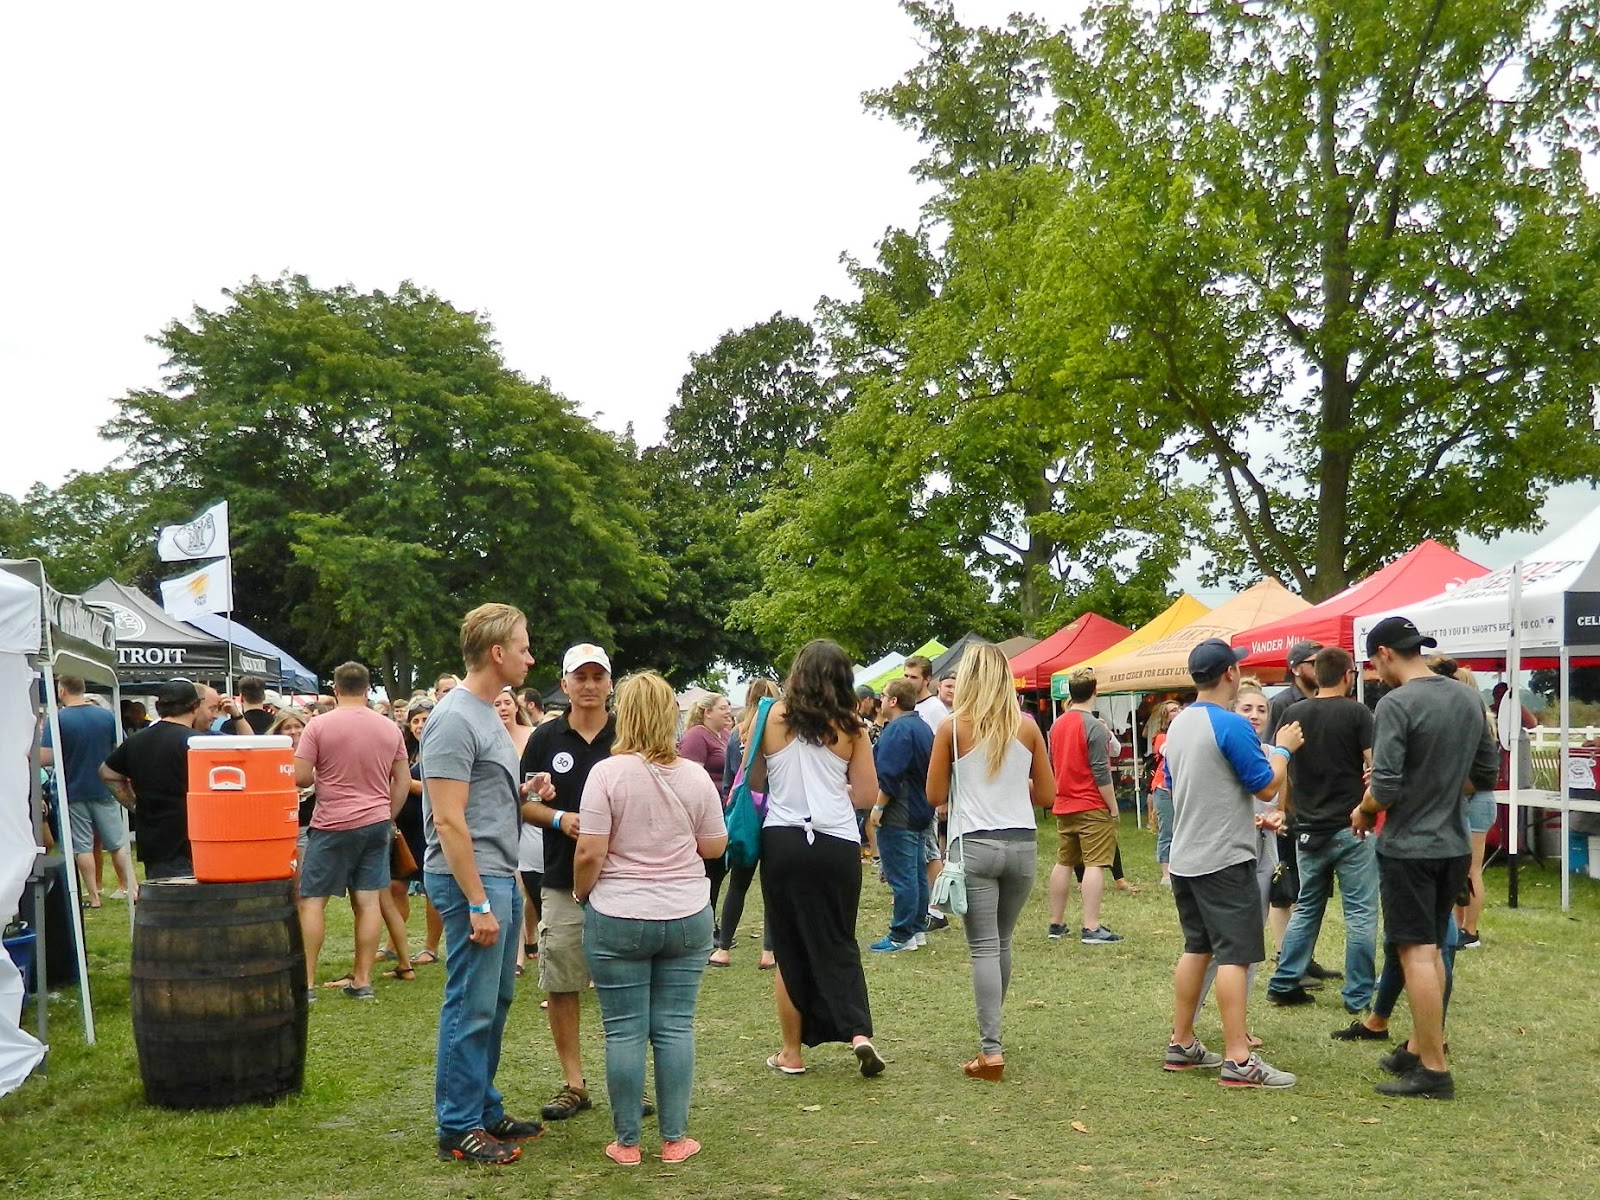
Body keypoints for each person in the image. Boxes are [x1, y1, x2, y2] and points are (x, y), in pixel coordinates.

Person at [574, 671, 727, 1166]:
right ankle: (675, 1138)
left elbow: (589, 852)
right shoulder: (695, 775)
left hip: (619, 912)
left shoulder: (607, 773)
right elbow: (713, 845)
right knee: (675, 1027)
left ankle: (627, 1142)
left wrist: (583, 895)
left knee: (623, 1030)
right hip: (685, 913)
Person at [1352, 616, 1498, 1100]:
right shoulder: (1467, 697)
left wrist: (1362, 809)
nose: (1377, 673)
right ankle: (1417, 1047)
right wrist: (1441, 789)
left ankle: (1433, 1071)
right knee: (1432, 947)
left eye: (1375, 664)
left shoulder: (1396, 703)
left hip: (1410, 848)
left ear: (1385, 655)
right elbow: (1485, 771)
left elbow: (1386, 787)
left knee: (1414, 951)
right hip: (1455, 844)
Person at [420, 603, 544, 1165]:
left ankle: (483, 1107)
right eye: (523, 646)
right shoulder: (453, 718)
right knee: (470, 1005)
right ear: (498, 653)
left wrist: (526, 792)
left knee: (493, 1001)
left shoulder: (484, 714)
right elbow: (447, 820)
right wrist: (476, 902)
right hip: (471, 882)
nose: (530, 656)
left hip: (497, 873)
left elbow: (481, 801)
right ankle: (458, 1126)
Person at [1162, 639, 1301, 1088]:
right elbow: (1265, 786)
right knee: (1235, 957)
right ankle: (1239, 1059)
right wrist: (1281, 749)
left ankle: (1181, 1042)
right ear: (1229, 675)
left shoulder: (1180, 723)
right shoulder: (1232, 725)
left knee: (1196, 948)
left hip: (1186, 856)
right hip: (1224, 857)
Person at [751, 639, 884, 1078]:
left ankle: (791, 1052)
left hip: (784, 840)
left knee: (788, 947)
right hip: (836, 842)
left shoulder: (771, 715)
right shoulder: (853, 727)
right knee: (839, 940)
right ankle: (859, 1033)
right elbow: (865, 795)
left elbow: (753, 777)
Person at [925, 643, 1055, 1080]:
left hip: (974, 842)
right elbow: (1048, 797)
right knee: (1001, 942)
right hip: (1022, 843)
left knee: (983, 946)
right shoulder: (1028, 727)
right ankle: (991, 1034)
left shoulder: (952, 728)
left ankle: (990, 1048)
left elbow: (935, 796)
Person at [520, 644, 618, 1122]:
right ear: (564, 683)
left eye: (597, 676)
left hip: (623, 875)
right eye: (580, 677)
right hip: (561, 878)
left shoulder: (628, 735)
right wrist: (561, 818)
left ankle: (627, 1078)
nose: (589, 685)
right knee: (561, 981)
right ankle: (574, 1083)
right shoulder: (544, 739)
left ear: (610, 683)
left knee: (626, 982)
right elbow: (524, 803)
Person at [1266, 647, 1378, 1013]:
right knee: (1359, 911)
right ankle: (1358, 994)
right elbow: (1375, 766)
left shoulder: (1293, 713)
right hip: (1351, 826)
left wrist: (1285, 812)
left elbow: (1282, 768)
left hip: (1307, 828)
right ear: (1348, 675)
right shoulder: (1358, 713)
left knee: (1307, 907)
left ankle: (1284, 982)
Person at [294, 662, 411, 1001]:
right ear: (367, 688)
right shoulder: (389, 728)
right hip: (375, 822)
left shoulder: (318, 725)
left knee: (313, 901)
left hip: (331, 822)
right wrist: (388, 815)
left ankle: (308, 982)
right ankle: (362, 980)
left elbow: (300, 777)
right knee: (368, 900)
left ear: (335, 688)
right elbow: (401, 780)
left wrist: (322, 776)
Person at [99, 680, 208, 879]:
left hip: (154, 839)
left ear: (158, 707)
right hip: (195, 838)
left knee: (164, 905)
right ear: (195, 706)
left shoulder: (136, 740)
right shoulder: (198, 744)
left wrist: (133, 803)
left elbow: (107, 773)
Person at [42, 676, 133, 907]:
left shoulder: (58, 718)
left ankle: (93, 896)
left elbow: (46, 756)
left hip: (72, 790)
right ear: (83, 689)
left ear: (61, 690)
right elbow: (120, 749)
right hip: (105, 788)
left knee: (82, 846)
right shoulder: (106, 715)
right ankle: (132, 888)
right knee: (117, 842)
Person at [1047, 667, 1122, 944]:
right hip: (1090, 803)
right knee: (1095, 863)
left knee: (1064, 861)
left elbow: (1053, 761)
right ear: (1095, 691)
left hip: (1064, 801)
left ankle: (1056, 923)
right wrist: (1112, 807)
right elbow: (1101, 773)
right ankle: (1091, 927)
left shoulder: (1057, 725)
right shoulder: (1094, 726)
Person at [710, 679, 780, 970]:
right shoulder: (779, 732)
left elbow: (729, 781)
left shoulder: (735, 734)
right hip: (775, 813)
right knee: (772, 886)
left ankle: (723, 948)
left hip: (744, 813)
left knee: (737, 883)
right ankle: (768, 952)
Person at [865, 678, 935, 953]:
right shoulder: (923, 727)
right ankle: (916, 928)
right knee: (917, 872)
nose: (880, 701)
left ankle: (901, 933)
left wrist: (878, 807)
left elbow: (890, 775)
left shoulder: (897, 730)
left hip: (899, 812)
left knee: (902, 875)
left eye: (883, 696)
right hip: (920, 808)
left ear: (893, 701)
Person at [679, 692, 733, 938]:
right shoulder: (696, 736)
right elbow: (690, 779)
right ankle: (702, 923)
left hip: (724, 810)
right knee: (708, 868)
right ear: (707, 712)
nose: (728, 711)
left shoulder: (723, 735)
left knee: (719, 868)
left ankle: (709, 918)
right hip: (704, 814)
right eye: (722, 707)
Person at [1149, 700, 1182, 887]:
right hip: (1163, 788)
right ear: (1165, 717)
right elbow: (1171, 753)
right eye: (1173, 710)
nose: (1178, 711)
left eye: (1179, 708)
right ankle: (1166, 874)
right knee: (1167, 830)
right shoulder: (1161, 737)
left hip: (1180, 788)